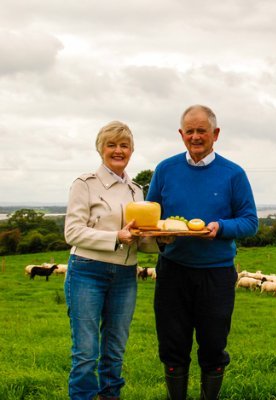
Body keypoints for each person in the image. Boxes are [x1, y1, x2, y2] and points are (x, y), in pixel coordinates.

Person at [146, 105, 258, 400]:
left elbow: (250, 222)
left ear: (215, 134)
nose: (195, 137)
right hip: (173, 271)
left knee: (212, 346)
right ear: (181, 134)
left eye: (202, 131)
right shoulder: (165, 170)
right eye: (190, 131)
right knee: (173, 346)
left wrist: (220, 227)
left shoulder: (233, 174)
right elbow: (150, 218)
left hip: (217, 273)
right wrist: (161, 236)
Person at [64, 121, 142, 400]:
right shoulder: (84, 184)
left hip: (125, 274)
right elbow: (72, 232)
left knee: (115, 349)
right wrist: (116, 237)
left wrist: (160, 240)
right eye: (111, 145)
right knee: (86, 352)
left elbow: (138, 238)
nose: (118, 150)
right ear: (101, 149)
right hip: (87, 271)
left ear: (131, 150)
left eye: (124, 145)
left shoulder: (137, 190)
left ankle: (110, 396)